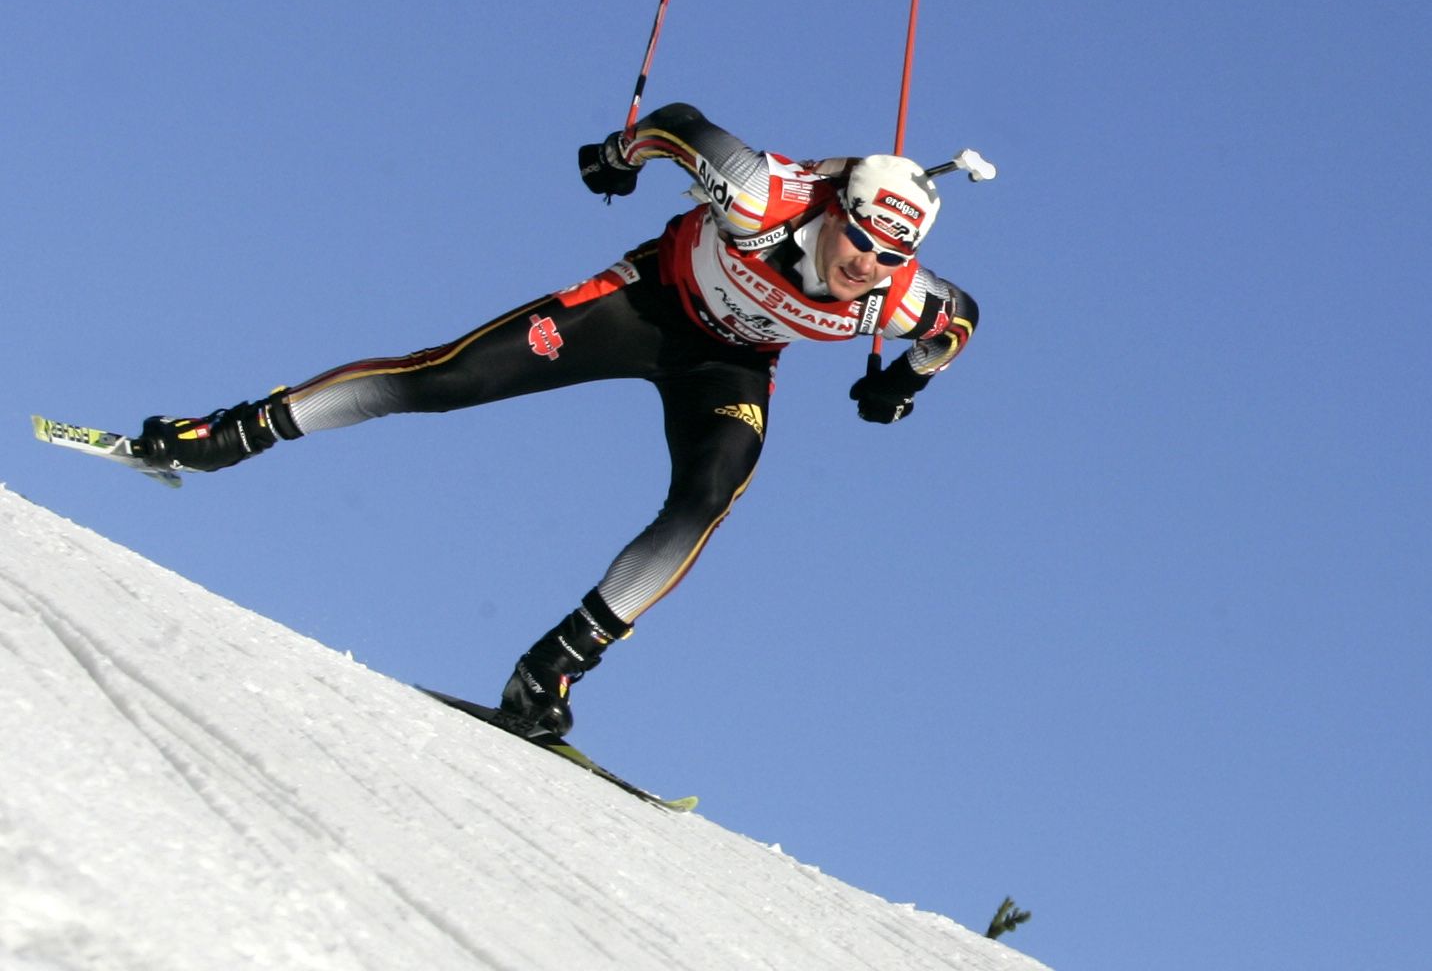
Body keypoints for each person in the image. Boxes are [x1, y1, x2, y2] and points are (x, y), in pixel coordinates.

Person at [133, 102, 979, 737]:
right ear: (837, 210)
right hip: (644, 304)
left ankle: (551, 671)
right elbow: (679, 125)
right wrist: (619, 155)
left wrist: (902, 384)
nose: (863, 262)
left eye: (888, 254)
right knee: (443, 380)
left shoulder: (901, 297)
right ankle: (227, 436)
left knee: (710, 495)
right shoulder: (763, 197)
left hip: (730, 365)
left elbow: (960, 327)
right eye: (859, 236)